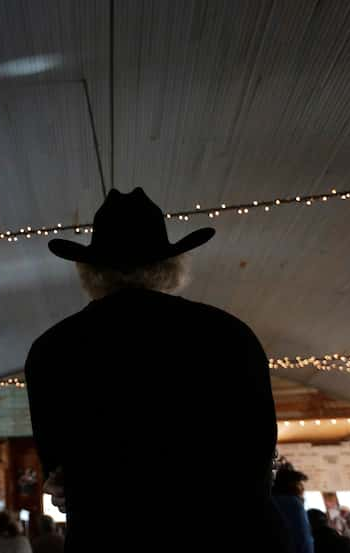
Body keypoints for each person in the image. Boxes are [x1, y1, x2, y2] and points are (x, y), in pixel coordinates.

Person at [24, 187, 288, 552]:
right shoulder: (229, 335)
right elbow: (259, 447)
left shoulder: (51, 350)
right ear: (172, 265)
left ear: (89, 271)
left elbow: (59, 472)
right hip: (231, 534)